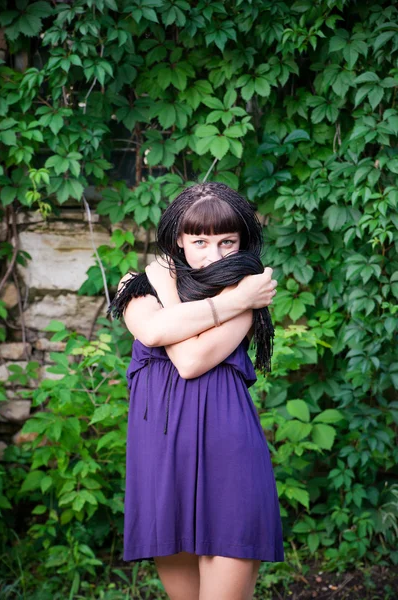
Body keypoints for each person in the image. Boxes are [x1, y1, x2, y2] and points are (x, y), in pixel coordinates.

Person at [116, 183, 284, 600]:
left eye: (228, 241)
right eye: (200, 241)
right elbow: (153, 330)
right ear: (179, 240)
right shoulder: (135, 284)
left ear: (242, 240)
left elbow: (191, 361)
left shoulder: (247, 294)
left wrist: (240, 297)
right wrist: (237, 299)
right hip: (161, 461)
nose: (216, 254)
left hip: (229, 457)